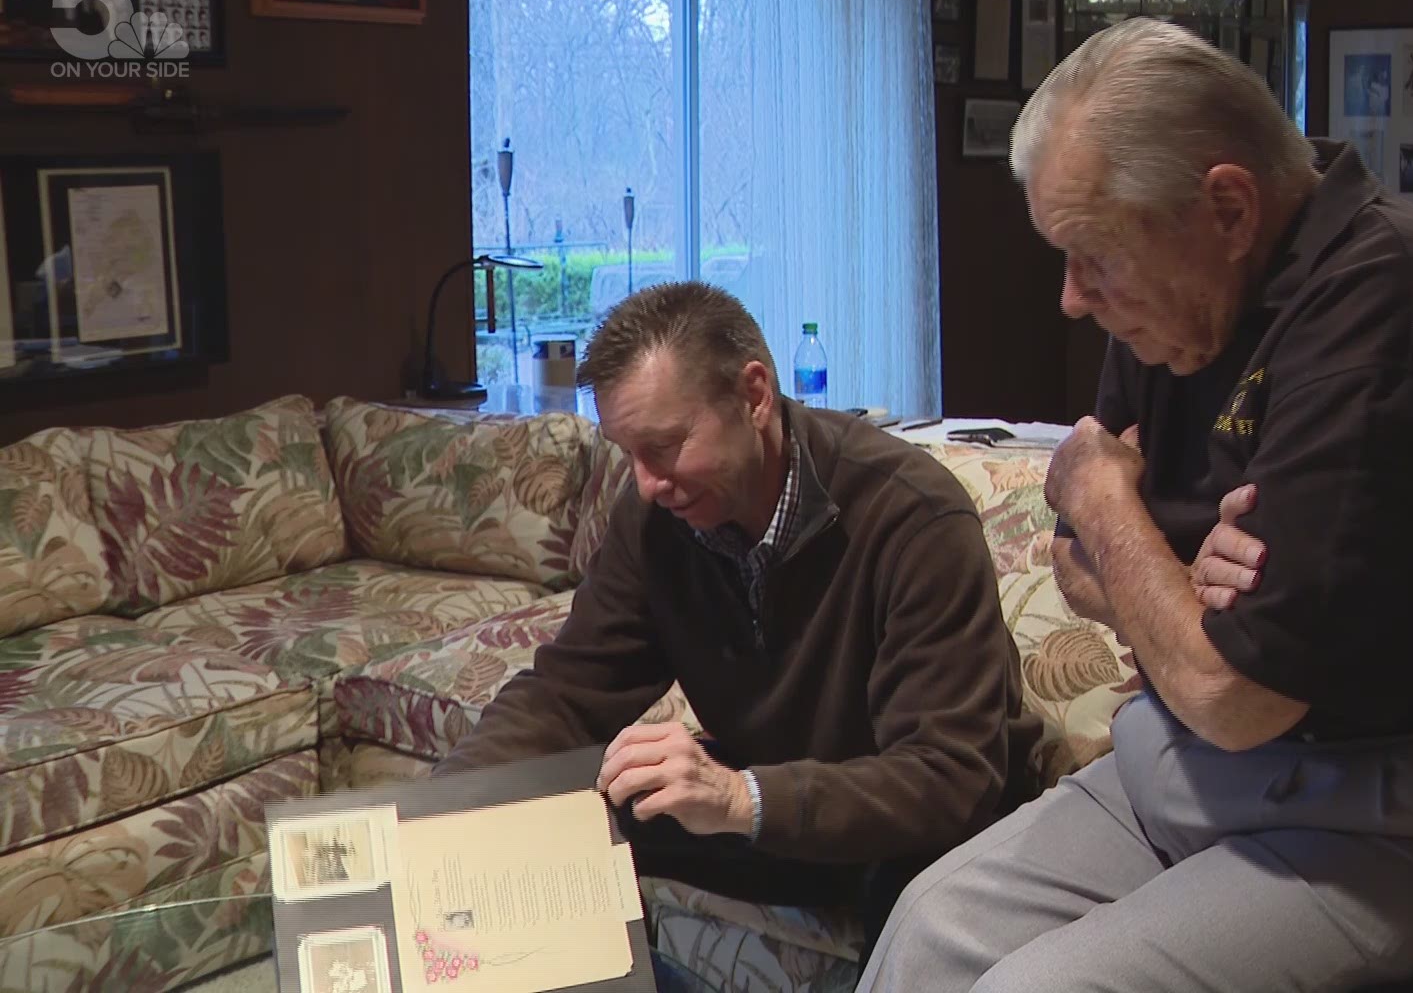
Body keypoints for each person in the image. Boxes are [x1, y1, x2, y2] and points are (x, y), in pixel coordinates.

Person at [858, 17, 1413, 992]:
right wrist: (1171, 581)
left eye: (1094, 254)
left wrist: (1114, 512)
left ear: (1225, 207)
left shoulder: (1394, 296)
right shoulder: (1174, 306)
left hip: (1407, 806)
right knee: (929, 929)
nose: (1072, 298)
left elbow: (1230, 689)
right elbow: (1078, 562)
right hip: (1198, 770)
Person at [438, 282, 1044, 957]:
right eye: (627, 453)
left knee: (913, 899)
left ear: (754, 396)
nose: (643, 483)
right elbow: (566, 693)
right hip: (779, 794)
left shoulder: (913, 518)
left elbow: (948, 779)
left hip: (920, 822)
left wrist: (742, 797)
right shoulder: (656, 520)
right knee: (568, 809)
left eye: (664, 446)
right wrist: (433, 814)